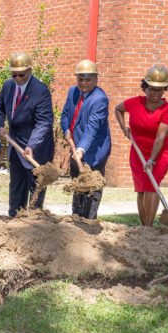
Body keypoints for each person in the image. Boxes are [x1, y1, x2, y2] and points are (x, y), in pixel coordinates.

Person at [114, 65, 168, 227]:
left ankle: (148, 227)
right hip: (138, 151)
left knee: (151, 186)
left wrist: (152, 160)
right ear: (145, 88)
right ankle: (144, 227)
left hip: (160, 153)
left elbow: (160, 137)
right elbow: (118, 109)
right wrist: (124, 128)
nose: (156, 93)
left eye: (160, 90)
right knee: (141, 189)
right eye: (152, 89)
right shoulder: (135, 103)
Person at [0, 52, 55, 216]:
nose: (18, 78)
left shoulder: (40, 91)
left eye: (22, 74)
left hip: (36, 149)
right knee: (16, 186)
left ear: (30, 70)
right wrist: (0, 126)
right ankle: (14, 219)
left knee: (35, 189)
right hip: (15, 147)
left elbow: (44, 122)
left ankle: (33, 225)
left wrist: (31, 145)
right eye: (14, 74)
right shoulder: (8, 86)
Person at [59, 59, 111, 219]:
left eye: (88, 79)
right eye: (80, 79)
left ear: (96, 79)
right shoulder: (72, 91)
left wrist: (81, 149)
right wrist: (67, 130)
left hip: (94, 151)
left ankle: (89, 221)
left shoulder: (100, 99)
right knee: (77, 185)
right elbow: (66, 114)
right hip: (76, 147)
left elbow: (92, 128)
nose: (84, 83)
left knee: (92, 187)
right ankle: (76, 218)